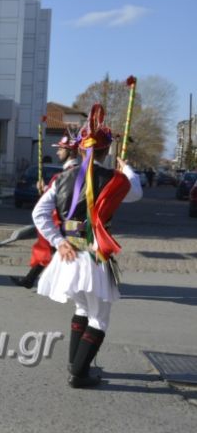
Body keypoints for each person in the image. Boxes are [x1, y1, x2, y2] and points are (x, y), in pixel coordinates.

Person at [32, 104, 142, 388]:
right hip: (93, 256)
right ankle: (79, 374)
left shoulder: (61, 178)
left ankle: (75, 364)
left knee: (82, 309)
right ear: (107, 152)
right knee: (99, 318)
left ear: (80, 150)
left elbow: (39, 213)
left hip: (69, 253)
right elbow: (137, 192)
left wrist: (58, 241)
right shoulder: (116, 181)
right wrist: (126, 167)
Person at [10, 132, 80, 288]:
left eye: (61, 149)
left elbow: (60, 201)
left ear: (70, 151)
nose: (57, 152)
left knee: (62, 252)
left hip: (65, 223)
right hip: (71, 223)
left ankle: (66, 284)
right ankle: (30, 280)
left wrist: (47, 191)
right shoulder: (73, 173)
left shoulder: (65, 175)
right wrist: (45, 190)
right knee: (53, 250)